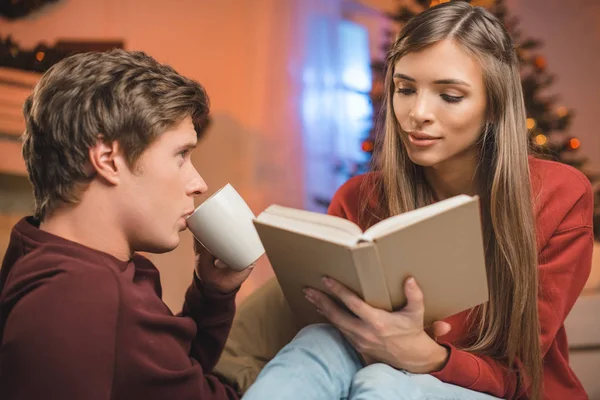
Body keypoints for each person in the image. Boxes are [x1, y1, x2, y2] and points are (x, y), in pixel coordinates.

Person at [238, 2, 593, 399]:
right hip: (374, 367)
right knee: (320, 341)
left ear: (494, 105)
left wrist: (429, 357)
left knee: (382, 382)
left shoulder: (558, 195)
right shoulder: (359, 198)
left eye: (450, 96)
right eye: (405, 89)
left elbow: (520, 377)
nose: (417, 113)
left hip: (508, 392)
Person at [0, 49, 251, 399]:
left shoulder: (47, 251)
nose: (199, 183)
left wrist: (213, 294)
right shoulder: (77, 298)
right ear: (108, 160)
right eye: (181, 155)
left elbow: (162, 378)